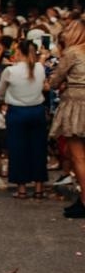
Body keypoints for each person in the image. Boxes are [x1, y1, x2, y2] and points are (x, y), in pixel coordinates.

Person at [0, 40, 48, 197]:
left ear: (18, 52)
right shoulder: (40, 68)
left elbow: (0, 91)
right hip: (37, 111)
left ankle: (22, 188)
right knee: (39, 148)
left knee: (18, 149)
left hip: (17, 112)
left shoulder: (10, 71)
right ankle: (39, 187)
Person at [46, 19, 85, 218]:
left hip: (77, 105)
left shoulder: (73, 52)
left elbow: (54, 81)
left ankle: (84, 200)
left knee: (77, 156)